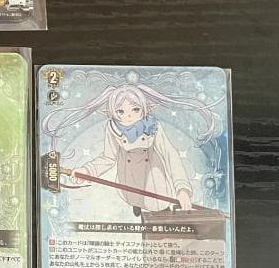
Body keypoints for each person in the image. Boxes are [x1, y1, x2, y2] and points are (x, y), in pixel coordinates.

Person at [43, 83, 219, 216]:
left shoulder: (152, 126)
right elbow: (108, 157)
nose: (128, 116)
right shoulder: (113, 128)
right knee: (133, 197)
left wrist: (182, 189)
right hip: (128, 176)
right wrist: (86, 170)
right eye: (120, 111)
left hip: (153, 176)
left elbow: (170, 155)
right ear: (113, 111)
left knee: (158, 206)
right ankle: (137, 204)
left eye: (135, 109)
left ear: (143, 108)